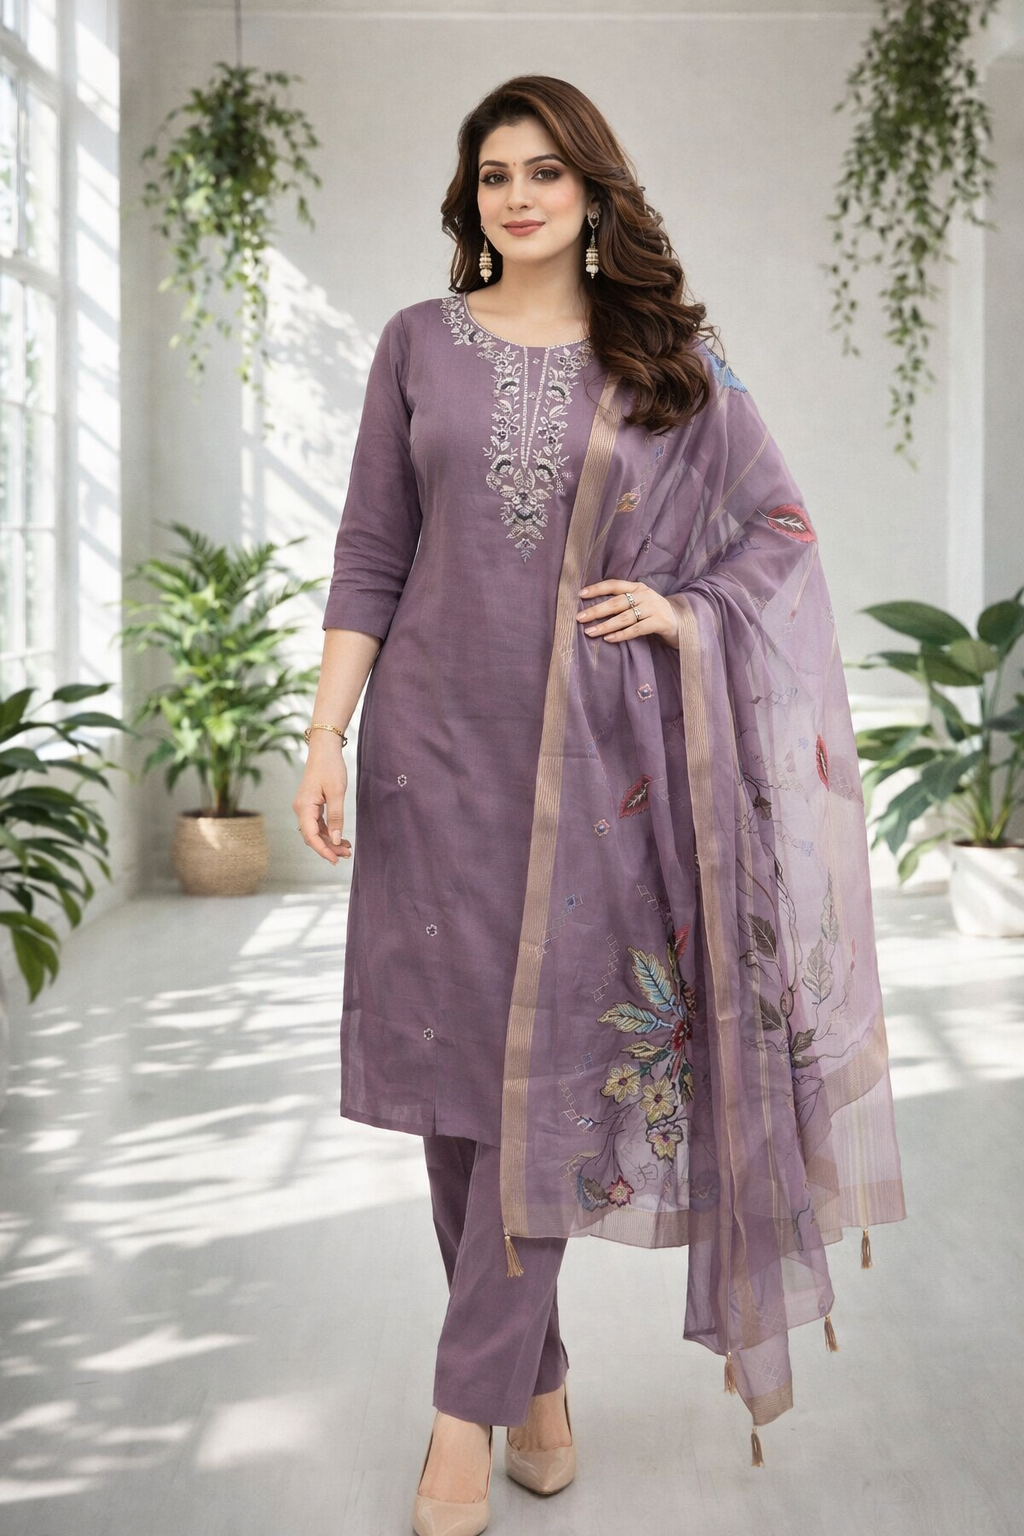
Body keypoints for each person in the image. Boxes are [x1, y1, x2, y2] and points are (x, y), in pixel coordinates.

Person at [293, 74, 906, 1536]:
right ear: (471, 199)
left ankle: (460, 1422)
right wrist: (324, 736)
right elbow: (372, 552)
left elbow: (781, 530)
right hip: (429, 765)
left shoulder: (668, 360)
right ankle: (538, 1378)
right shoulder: (415, 347)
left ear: (592, 194)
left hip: (595, 784)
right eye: (493, 173)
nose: (516, 196)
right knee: (458, 1097)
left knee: (542, 1092)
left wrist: (686, 609)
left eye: (544, 173)